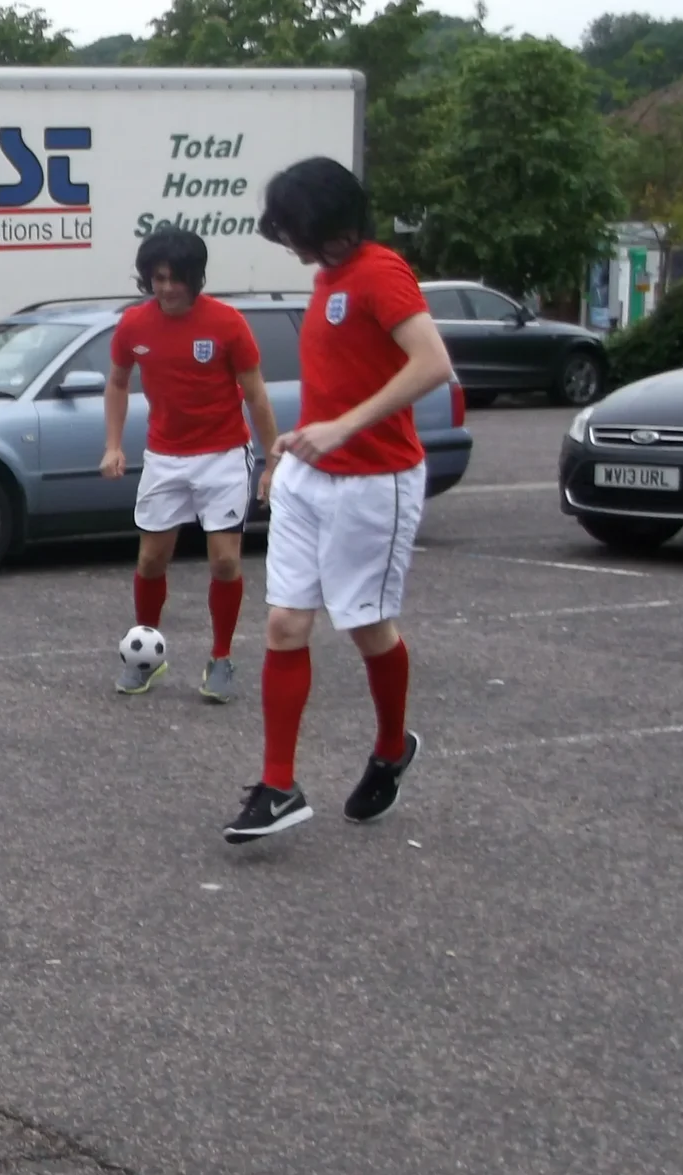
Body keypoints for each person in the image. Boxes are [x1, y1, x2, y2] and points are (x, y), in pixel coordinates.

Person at [224, 158, 452, 843]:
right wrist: (294, 444)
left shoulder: (380, 271)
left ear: (329, 220)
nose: (289, 243)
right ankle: (278, 785)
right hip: (309, 474)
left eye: (295, 228)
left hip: (373, 481)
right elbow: (342, 380)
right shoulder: (327, 278)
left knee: (365, 627)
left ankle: (390, 749)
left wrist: (345, 427)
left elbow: (433, 364)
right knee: (285, 626)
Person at [101, 228, 279, 701]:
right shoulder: (134, 326)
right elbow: (117, 383)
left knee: (224, 562)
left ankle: (221, 660)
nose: (166, 288)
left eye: (176, 278)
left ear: (195, 278)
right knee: (151, 558)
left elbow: (256, 394)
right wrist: (113, 445)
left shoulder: (227, 323)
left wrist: (271, 460)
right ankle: (144, 659)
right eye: (157, 278)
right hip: (165, 456)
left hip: (222, 455)